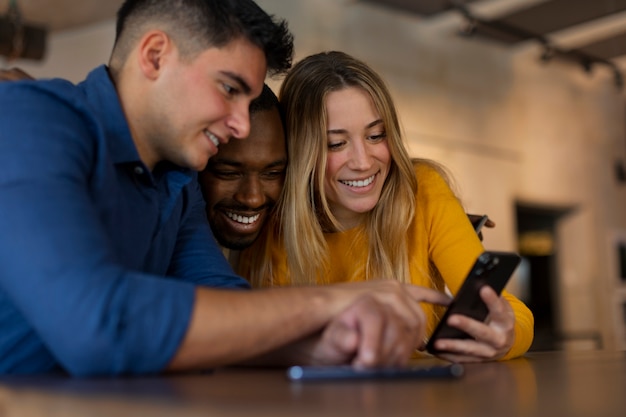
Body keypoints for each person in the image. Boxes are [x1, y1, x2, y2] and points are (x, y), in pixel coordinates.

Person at [0, 1, 451, 376]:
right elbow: (99, 326)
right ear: (155, 55)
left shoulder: (178, 184)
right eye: (229, 88)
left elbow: (230, 311)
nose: (239, 124)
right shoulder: (30, 120)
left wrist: (337, 341)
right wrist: (334, 300)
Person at [240, 51, 534, 363]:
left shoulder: (424, 191)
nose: (364, 162)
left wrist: (507, 335)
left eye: (376, 135)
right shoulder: (273, 220)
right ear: (301, 151)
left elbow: (511, 312)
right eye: (336, 144)